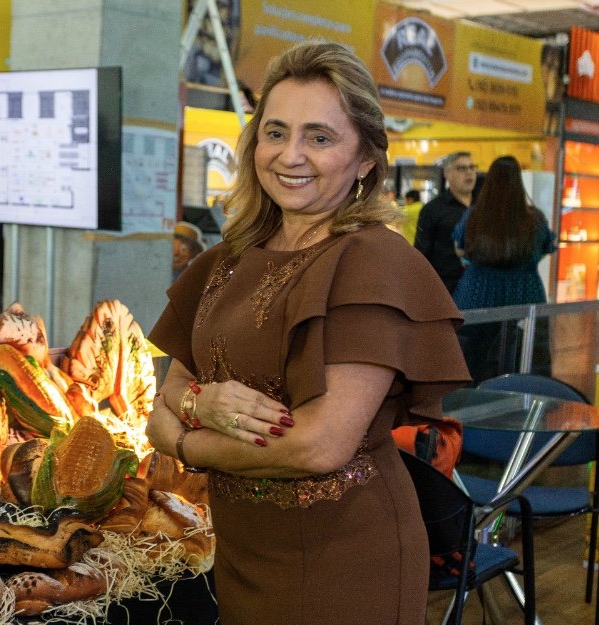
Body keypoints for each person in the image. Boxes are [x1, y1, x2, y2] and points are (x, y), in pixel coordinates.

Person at [145, 41, 470, 625]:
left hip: (343, 554)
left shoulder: (371, 262)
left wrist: (188, 443)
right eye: (275, 132)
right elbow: (164, 401)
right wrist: (202, 402)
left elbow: (320, 445)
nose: (290, 155)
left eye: (319, 137)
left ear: (366, 158)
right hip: (243, 548)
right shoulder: (226, 261)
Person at [452, 155, 557, 383]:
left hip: (476, 297)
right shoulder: (534, 218)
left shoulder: (474, 216)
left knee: (473, 370)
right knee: (525, 366)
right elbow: (548, 247)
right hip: (525, 298)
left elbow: (459, 248)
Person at [414, 151, 478, 294]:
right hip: (447, 290)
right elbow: (421, 255)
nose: (469, 172)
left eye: (472, 167)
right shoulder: (433, 210)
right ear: (447, 174)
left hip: (480, 288)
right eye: (462, 168)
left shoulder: (484, 207)